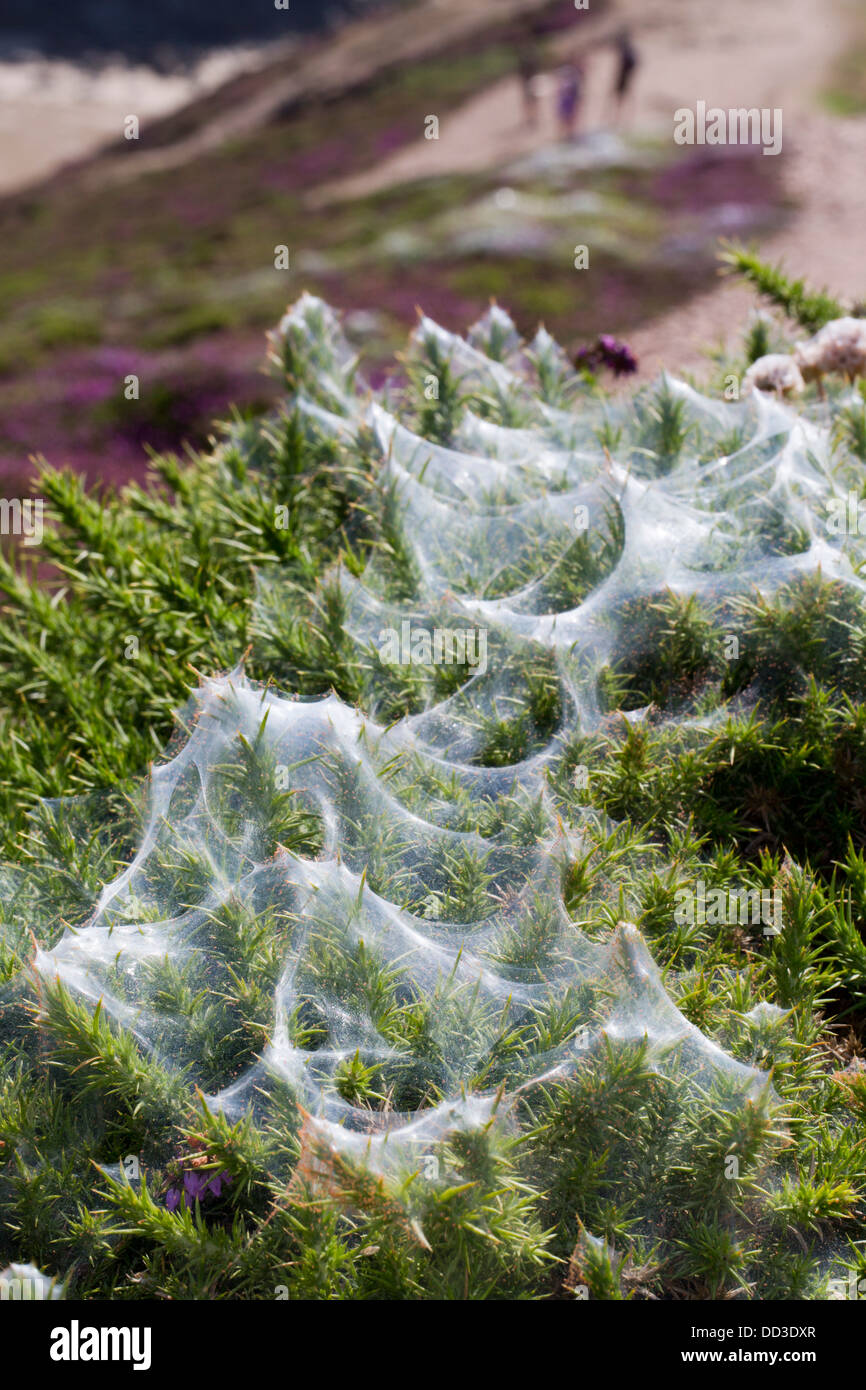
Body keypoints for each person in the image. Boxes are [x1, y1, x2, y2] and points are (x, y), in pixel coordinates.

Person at [611, 27, 638, 122]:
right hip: (624, 76)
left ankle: (620, 119)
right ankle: (621, 119)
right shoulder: (628, 51)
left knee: (620, 99)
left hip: (623, 77)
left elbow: (632, 64)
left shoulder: (626, 52)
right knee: (622, 98)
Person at [556, 59, 584, 140]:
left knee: (570, 119)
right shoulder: (567, 73)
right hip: (566, 100)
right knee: (565, 118)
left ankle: (570, 135)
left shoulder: (574, 74)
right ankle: (564, 135)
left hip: (570, 100)